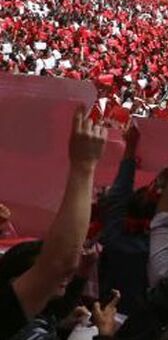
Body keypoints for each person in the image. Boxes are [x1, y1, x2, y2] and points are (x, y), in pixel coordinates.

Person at [0, 110, 106, 338]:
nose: (62, 279)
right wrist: (84, 165)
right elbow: (58, 264)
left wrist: (60, 324)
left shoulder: (38, 318)